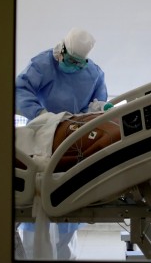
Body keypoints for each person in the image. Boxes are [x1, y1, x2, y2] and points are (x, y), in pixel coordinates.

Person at [15, 27, 108, 260]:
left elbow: (98, 104)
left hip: (72, 137)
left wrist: (94, 111)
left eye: (79, 63)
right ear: (61, 50)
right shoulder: (42, 64)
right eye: (71, 60)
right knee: (34, 212)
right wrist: (40, 114)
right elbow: (21, 89)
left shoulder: (94, 73)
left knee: (67, 210)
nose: (74, 66)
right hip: (41, 132)